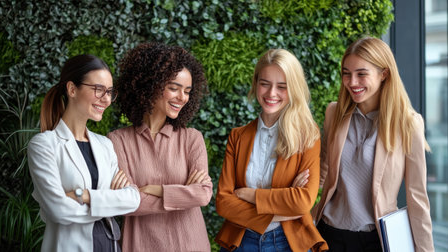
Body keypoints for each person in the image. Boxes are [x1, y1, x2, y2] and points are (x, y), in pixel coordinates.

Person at [312, 36, 434, 251]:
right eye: (346, 74)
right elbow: (321, 171)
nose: (352, 82)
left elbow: (417, 198)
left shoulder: (408, 123)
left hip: (376, 241)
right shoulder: (334, 113)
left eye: (361, 74)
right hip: (329, 235)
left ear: (383, 74)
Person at [215, 49, 328, 252]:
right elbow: (224, 203)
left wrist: (251, 195)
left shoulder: (308, 137)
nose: (271, 93)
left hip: (287, 242)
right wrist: (282, 208)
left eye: (282, 87)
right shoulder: (238, 136)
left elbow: (302, 203)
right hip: (241, 241)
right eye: (265, 84)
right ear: (256, 83)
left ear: (293, 89)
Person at [27, 54, 141, 252]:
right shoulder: (44, 145)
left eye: (110, 92)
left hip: (109, 245)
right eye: (98, 90)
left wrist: (85, 195)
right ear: (72, 89)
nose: (106, 99)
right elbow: (59, 210)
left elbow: (133, 199)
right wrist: (111, 201)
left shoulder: (105, 144)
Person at [107, 42, 212, 252]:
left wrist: (151, 190)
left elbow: (202, 195)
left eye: (187, 91)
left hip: (191, 245)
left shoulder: (192, 139)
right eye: (174, 88)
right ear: (150, 85)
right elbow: (126, 203)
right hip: (140, 245)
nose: (182, 97)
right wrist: (183, 196)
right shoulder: (117, 141)